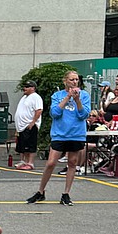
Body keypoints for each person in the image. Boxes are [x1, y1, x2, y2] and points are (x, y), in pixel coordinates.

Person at [26, 70, 90, 206]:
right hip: (60, 134)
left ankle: (66, 193)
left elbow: (83, 115)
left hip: (76, 134)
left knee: (72, 163)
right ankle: (41, 191)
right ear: (65, 81)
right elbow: (55, 113)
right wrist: (67, 98)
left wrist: (77, 100)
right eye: (72, 79)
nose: (74, 82)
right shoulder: (57, 95)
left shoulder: (84, 95)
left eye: (76, 79)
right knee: (51, 163)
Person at [12, 79, 42, 170]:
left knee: (30, 145)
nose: (24, 88)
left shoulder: (36, 97)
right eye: (24, 86)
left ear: (33, 88)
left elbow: (39, 110)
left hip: (29, 125)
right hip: (22, 127)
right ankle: (23, 161)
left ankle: (30, 163)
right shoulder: (24, 97)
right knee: (23, 145)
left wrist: (33, 122)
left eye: (27, 87)